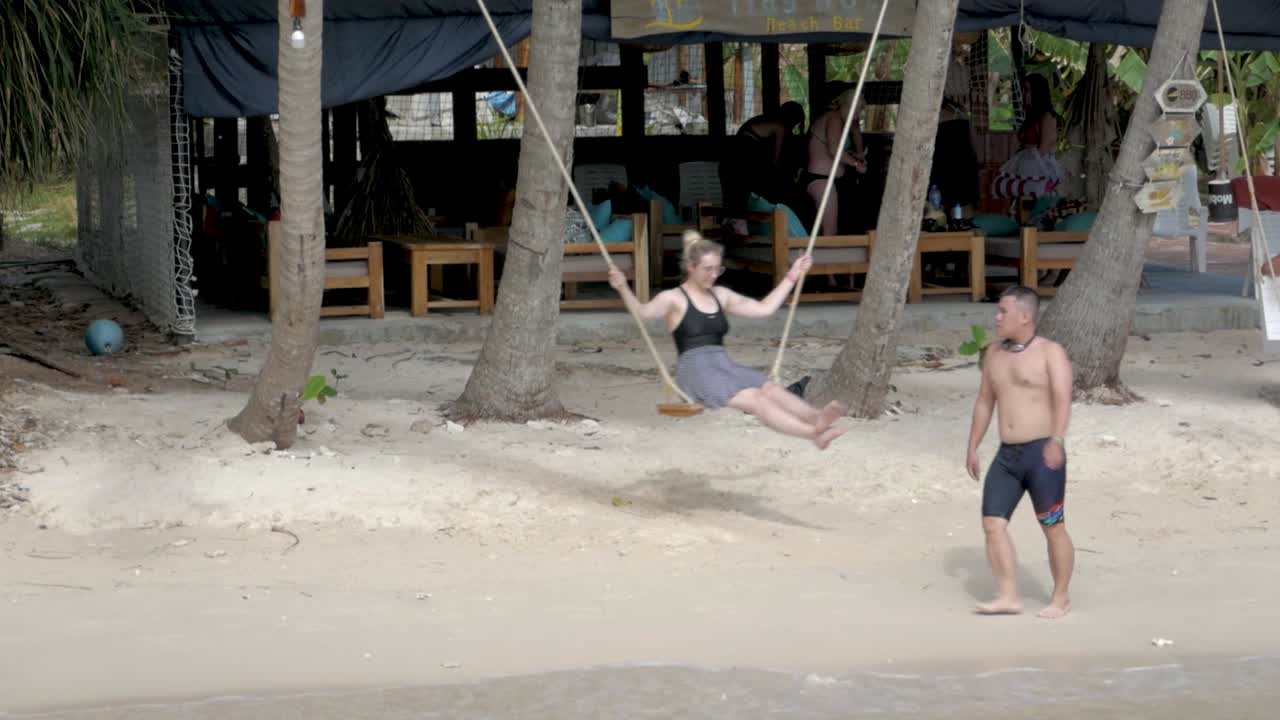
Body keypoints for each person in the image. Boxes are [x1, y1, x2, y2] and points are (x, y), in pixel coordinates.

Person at [607, 230, 848, 450]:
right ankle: (812, 434)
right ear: (691, 267)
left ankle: (816, 418)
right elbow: (642, 313)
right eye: (707, 269)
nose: (713, 275)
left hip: (722, 364)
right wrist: (622, 288)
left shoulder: (721, 296)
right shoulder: (673, 299)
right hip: (695, 369)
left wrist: (792, 276)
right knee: (756, 400)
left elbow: (765, 309)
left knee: (771, 388)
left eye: (718, 269)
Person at [964, 285, 1075, 619]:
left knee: (1052, 526)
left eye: (1003, 312)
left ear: (1025, 316)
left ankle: (1060, 597)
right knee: (992, 524)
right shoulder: (994, 354)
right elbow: (985, 402)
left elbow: (1063, 397)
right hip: (1007, 456)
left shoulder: (1049, 352)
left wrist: (1057, 440)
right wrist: (972, 446)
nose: (996, 318)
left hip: (1042, 454)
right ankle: (1009, 595)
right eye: (997, 311)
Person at [719, 102, 808, 241]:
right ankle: (742, 227)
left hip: (729, 160)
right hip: (743, 158)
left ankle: (733, 224)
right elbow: (776, 161)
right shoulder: (780, 127)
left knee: (735, 195)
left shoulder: (762, 121)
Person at [803, 87, 867, 236]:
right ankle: (826, 259)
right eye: (857, 111)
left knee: (831, 230)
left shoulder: (838, 118)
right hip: (821, 181)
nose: (858, 115)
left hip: (826, 180)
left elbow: (848, 137)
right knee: (830, 232)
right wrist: (856, 164)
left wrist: (854, 155)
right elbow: (834, 149)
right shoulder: (834, 118)